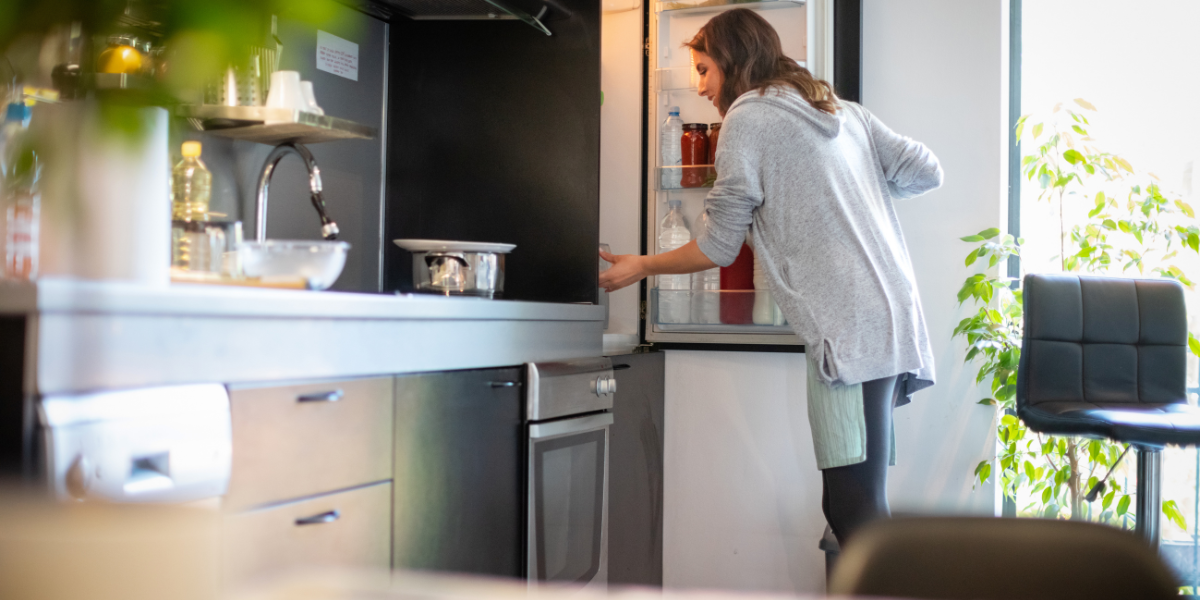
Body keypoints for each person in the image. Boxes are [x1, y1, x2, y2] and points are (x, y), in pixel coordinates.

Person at [598, 9, 943, 548]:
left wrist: (641, 265)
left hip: (845, 327)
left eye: (705, 69)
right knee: (855, 503)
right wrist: (852, 189)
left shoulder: (747, 117)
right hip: (890, 314)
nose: (701, 85)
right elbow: (926, 170)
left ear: (734, 62)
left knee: (854, 511)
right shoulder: (843, 111)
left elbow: (718, 243)